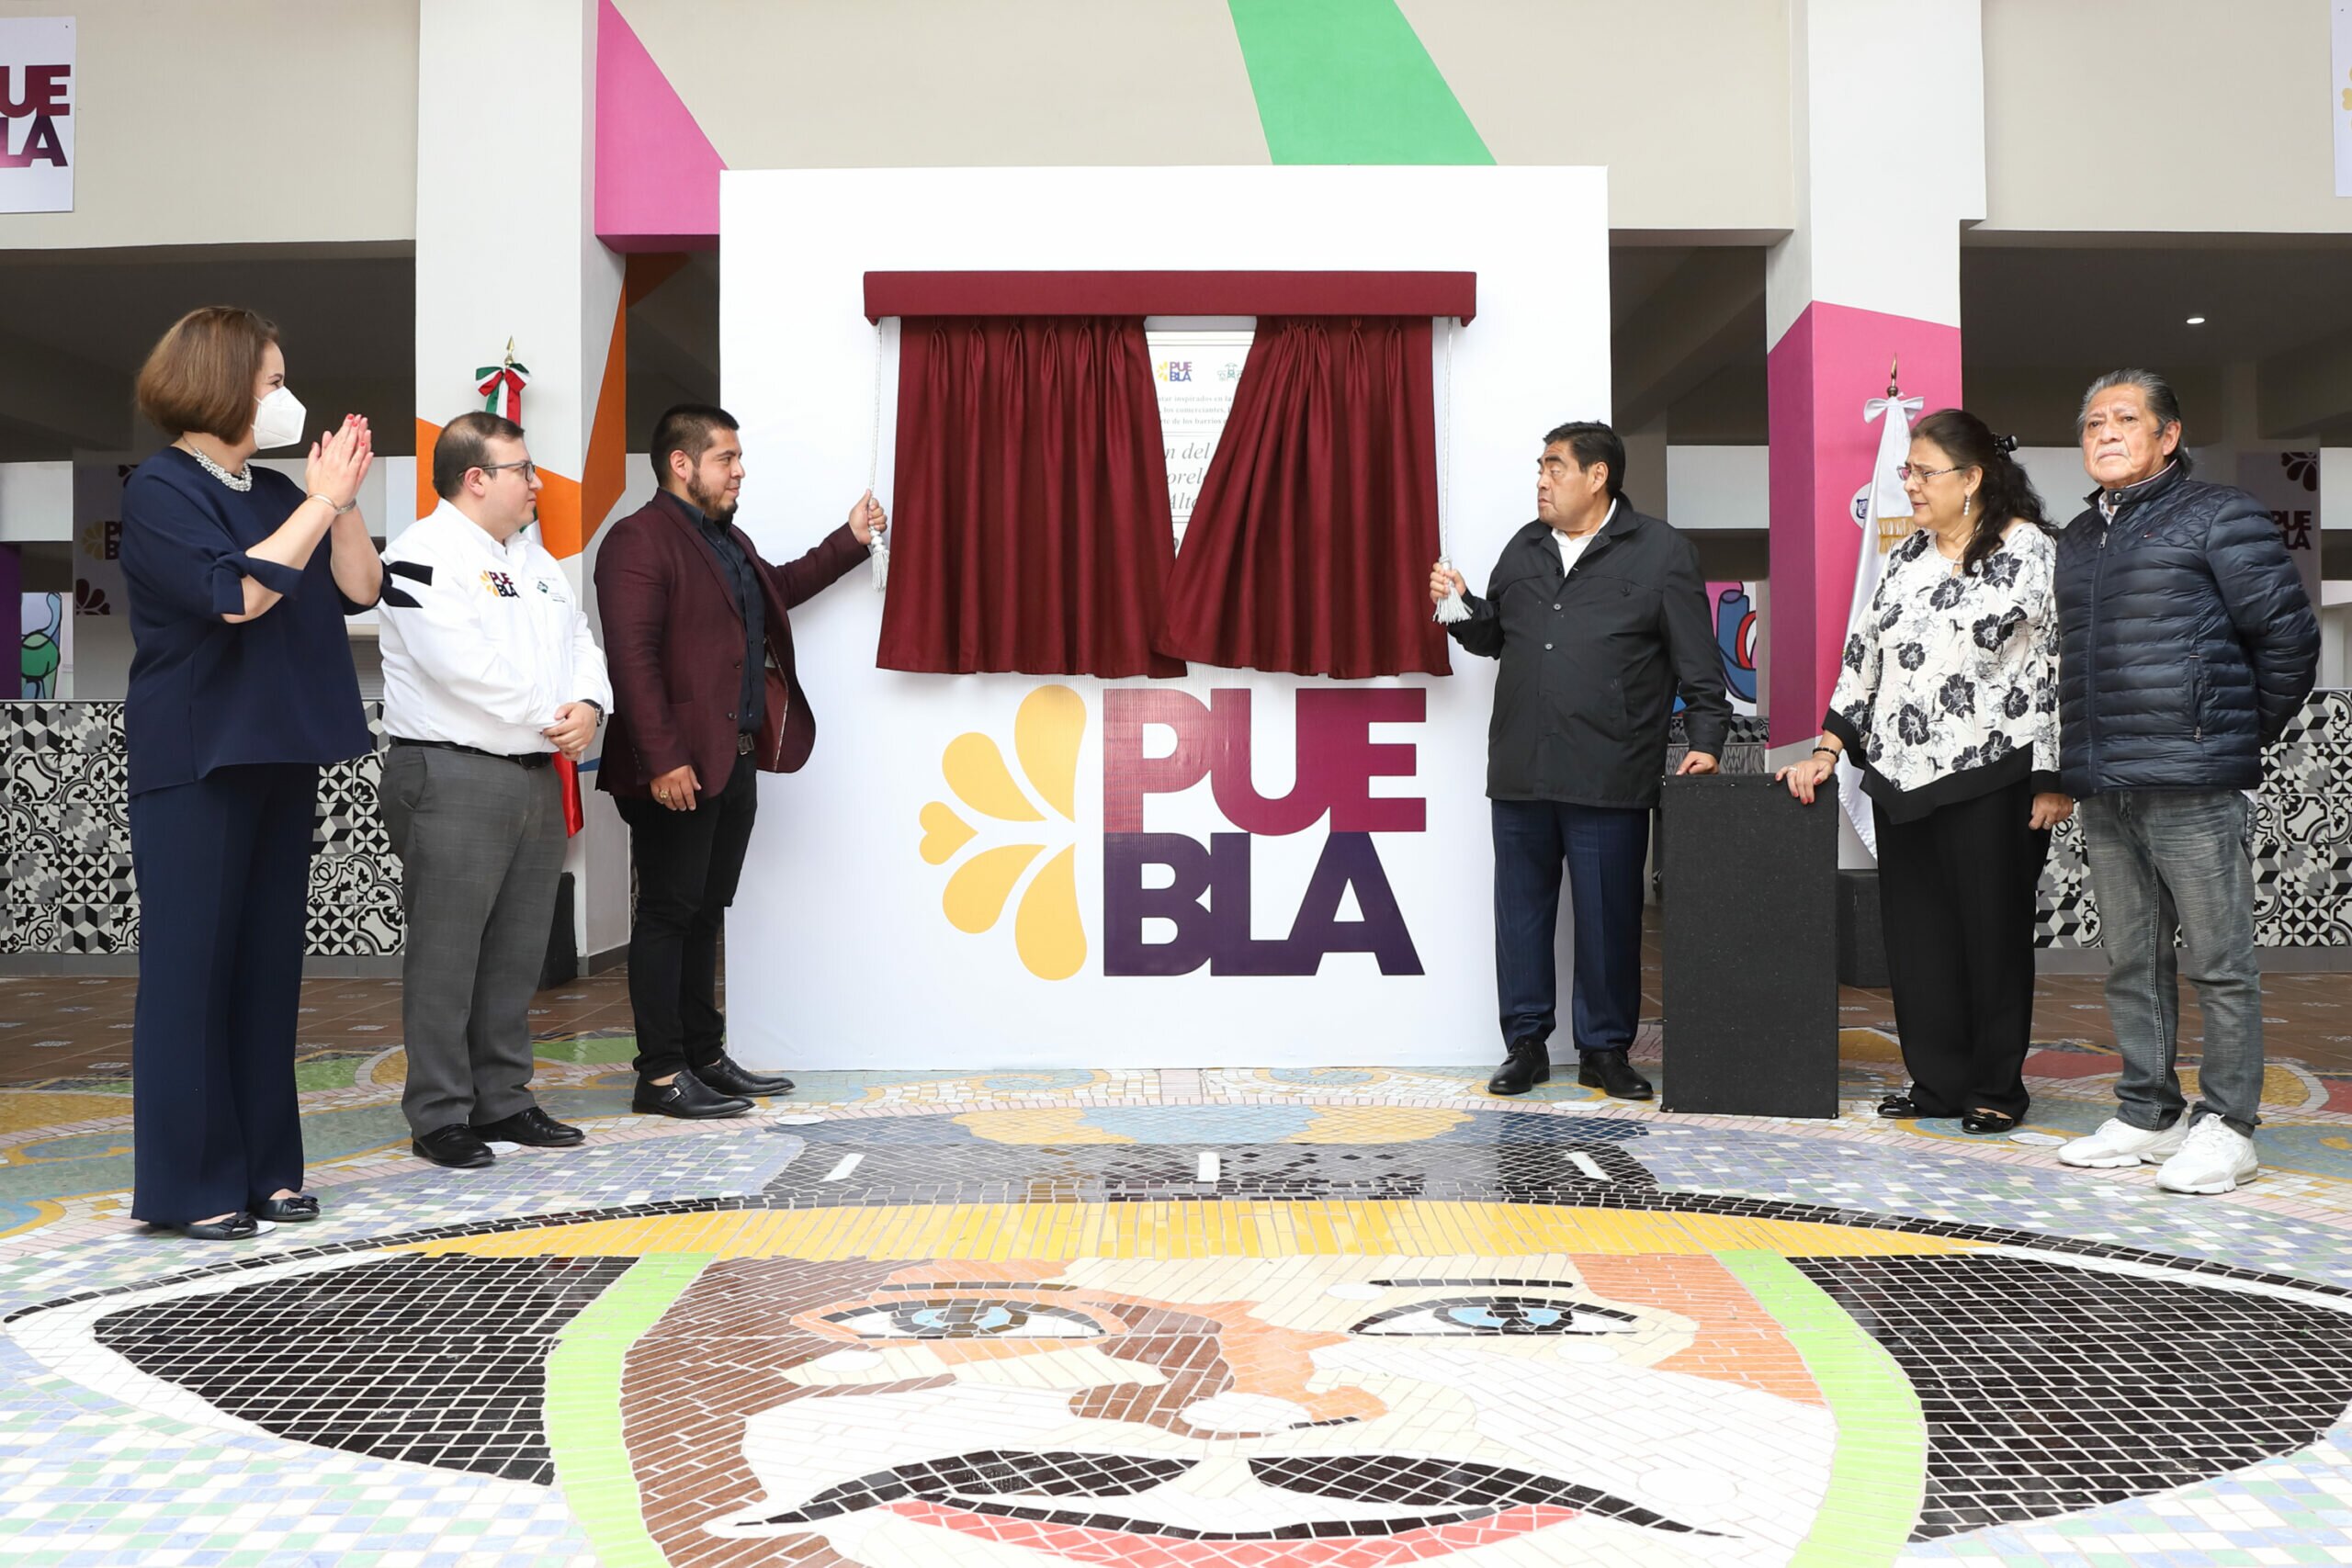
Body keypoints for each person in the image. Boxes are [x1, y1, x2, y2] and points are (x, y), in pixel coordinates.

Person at [119, 307, 382, 1241]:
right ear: (223, 385)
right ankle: (191, 1185)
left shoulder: (276, 490)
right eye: (272, 382)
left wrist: (339, 499)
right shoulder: (161, 488)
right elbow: (237, 596)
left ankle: (268, 1170)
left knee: (268, 971)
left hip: (278, 750)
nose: (284, 397)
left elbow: (359, 587)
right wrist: (317, 503)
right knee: (191, 973)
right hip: (196, 755)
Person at [2052, 370, 2319, 1193]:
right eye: (2093, 422)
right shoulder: (2079, 537)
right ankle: (2149, 1111)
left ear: (2168, 436)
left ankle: (2230, 1126)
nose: (2105, 433)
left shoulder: (2219, 514)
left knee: (2219, 963)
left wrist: (2229, 734)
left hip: (2193, 779)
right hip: (2107, 781)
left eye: (2125, 419)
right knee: (2130, 961)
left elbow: (2289, 639)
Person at [1777, 410, 2068, 1135]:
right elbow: (1863, 656)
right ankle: (1937, 1081)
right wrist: (1828, 749)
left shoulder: (2029, 548)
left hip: (1994, 773)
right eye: (1907, 470)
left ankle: (1996, 1086)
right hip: (1902, 777)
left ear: (1971, 478)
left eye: (1923, 472)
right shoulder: (1906, 555)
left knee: (1991, 935)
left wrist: (2053, 775)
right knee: (1918, 938)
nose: (1908, 483)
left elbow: (2055, 663)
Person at [594, 404, 886, 1118]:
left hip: (733, 762)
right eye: (726, 458)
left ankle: (702, 1055)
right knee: (667, 914)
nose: (740, 471)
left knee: (703, 914)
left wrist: (849, 540)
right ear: (682, 464)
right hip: (676, 771)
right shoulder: (637, 540)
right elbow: (631, 660)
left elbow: (774, 591)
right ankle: (660, 1076)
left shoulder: (726, 539)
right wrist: (664, 760)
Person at [1431, 421, 1727, 1100]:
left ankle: (1604, 1050)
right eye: (1540, 467)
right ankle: (1526, 1045)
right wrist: (1460, 604)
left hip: (1610, 769)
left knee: (1607, 919)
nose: (1542, 479)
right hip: (1522, 767)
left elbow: (1698, 662)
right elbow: (1496, 636)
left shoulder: (1661, 552)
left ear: (1598, 477)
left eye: (1555, 466)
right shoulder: (1525, 547)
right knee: (1522, 917)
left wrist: (1707, 741)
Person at [376, 412, 613, 1170]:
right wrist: (555, 714)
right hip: (453, 771)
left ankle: (503, 1098)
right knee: (447, 954)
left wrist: (590, 704)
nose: (537, 482)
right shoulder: (420, 553)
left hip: (534, 770)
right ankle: (440, 1112)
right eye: (524, 470)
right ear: (476, 478)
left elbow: (580, 639)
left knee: (516, 952)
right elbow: (460, 666)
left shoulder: (535, 559)